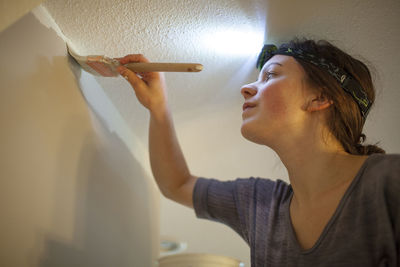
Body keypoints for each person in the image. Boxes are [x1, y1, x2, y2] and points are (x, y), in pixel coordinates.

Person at [116, 37, 400, 266]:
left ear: (321, 97)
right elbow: (176, 184)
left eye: (271, 75)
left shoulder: (389, 182)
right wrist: (158, 107)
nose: (246, 88)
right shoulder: (262, 206)